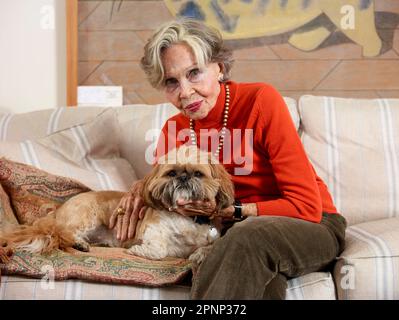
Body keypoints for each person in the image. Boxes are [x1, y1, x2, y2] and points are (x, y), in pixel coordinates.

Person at [109, 18, 347, 299]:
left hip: (313, 226)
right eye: (171, 82)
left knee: (245, 237)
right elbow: (169, 200)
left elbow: (306, 206)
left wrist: (234, 212)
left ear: (219, 67)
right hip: (237, 240)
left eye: (194, 73)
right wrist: (145, 187)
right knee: (254, 275)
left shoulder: (260, 100)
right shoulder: (173, 131)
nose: (185, 92)